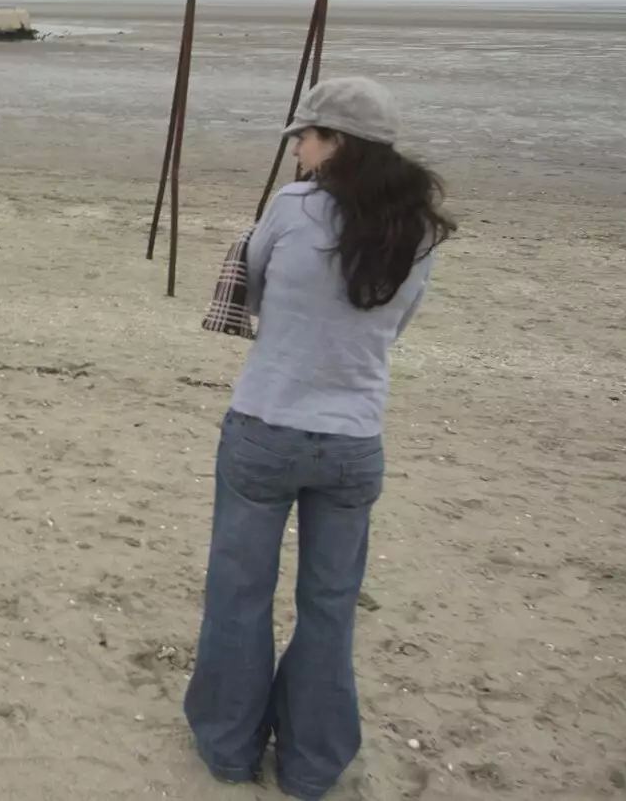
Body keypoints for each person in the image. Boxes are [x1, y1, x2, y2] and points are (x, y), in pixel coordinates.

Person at [183, 76, 456, 799]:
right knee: (330, 606)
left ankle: (230, 748)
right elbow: (397, 324)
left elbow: (261, 289)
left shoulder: (294, 206)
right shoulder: (420, 228)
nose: (297, 149)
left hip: (267, 424)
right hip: (354, 439)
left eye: (306, 136)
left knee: (239, 592)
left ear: (339, 144)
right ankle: (310, 766)